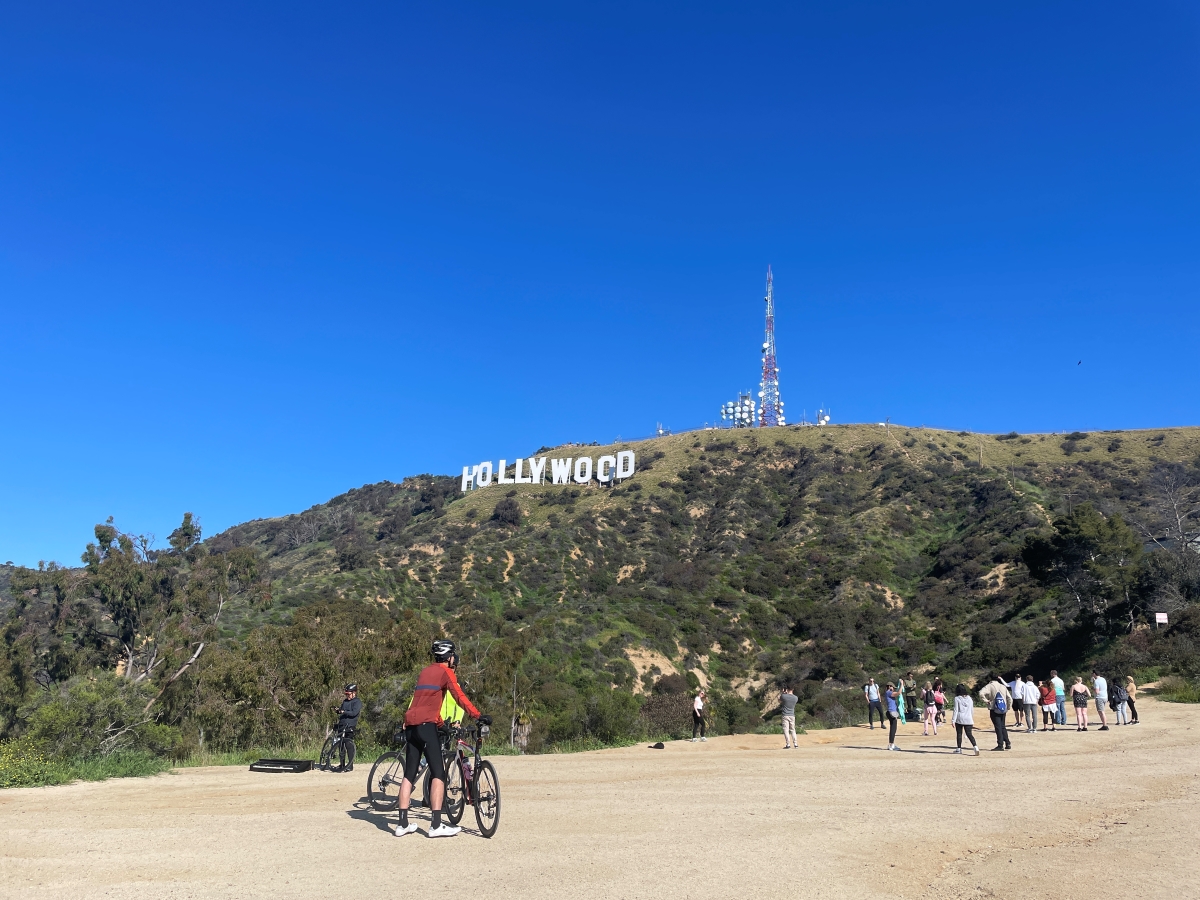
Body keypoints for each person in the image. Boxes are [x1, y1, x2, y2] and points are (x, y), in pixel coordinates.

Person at [395, 639, 489, 839]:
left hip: (411, 726)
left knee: (409, 774)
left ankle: (402, 824)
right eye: (454, 654)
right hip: (426, 727)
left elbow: (424, 703)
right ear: (449, 657)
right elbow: (459, 697)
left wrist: (440, 724)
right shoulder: (447, 672)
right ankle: (436, 825)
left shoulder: (424, 672)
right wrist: (478, 715)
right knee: (439, 773)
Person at [978, 673, 1012, 751]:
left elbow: (981, 693)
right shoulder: (1003, 686)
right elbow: (1009, 698)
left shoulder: (990, 686)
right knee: (1003, 726)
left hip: (994, 708)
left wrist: (986, 701)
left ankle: (1000, 745)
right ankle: (1007, 743)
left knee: (998, 727)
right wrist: (1008, 707)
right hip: (1003, 708)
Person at [334, 684, 362, 772]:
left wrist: (344, 711)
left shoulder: (357, 702)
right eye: (346, 694)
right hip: (342, 725)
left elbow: (354, 713)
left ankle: (350, 765)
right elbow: (342, 711)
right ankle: (342, 764)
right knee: (340, 745)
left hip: (350, 726)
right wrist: (338, 710)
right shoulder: (345, 701)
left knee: (348, 745)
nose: (347, 696)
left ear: (354, 693)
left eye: (348, 694)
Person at [951, 683, 979, 755]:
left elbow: (956, 710)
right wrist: (971, 718)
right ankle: (975, 747)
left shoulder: (957, 698)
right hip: (968, 718)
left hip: (960, 718)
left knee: (959, 733)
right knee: (969, 734)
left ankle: (959, 748)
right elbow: (972, 710)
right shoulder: (970, 698)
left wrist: (953, 720)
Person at [884, 682, 900, 751]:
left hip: (891, 712)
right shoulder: (888, 692)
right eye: (893, 687)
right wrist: (902, 685)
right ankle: (891, 745)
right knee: (893, 729)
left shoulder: (888, 693)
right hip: (891, 712)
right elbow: (898, 693)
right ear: (890, 686)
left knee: (893, 729)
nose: (893, 689)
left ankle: (891, 744)